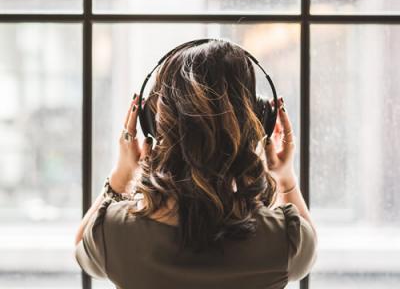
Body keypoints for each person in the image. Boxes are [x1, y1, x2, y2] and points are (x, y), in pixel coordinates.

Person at [74, 39, 318, 289]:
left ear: (151, 124)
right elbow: (308, 249)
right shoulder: (283, 239)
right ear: (259, 121)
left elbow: (82, 246)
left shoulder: (113, 233)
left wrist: (121, 175)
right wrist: (285, 178)